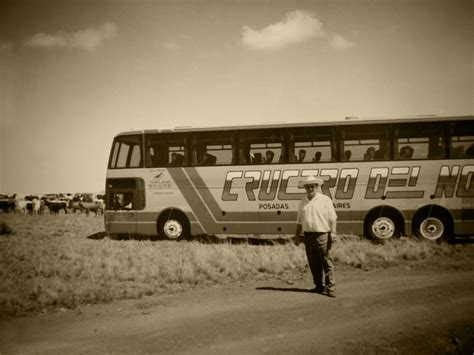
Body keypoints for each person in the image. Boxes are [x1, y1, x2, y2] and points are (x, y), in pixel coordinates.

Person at [295, 176, 337, 298]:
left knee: (326, 261)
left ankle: (331, 288)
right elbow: (299, 221)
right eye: (307, 186)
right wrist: (297, 236)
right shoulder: (302, 203)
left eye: (312, 186)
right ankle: (319, 286)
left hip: (322, 235)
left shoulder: (325, 200)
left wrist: (333, 233)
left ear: (317, 187)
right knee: (313, 263)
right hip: (308, 236)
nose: (310, 188)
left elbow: (333, 218)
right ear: (305, 188)